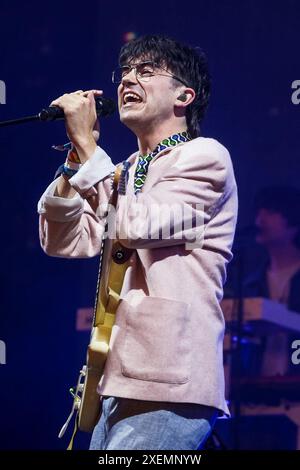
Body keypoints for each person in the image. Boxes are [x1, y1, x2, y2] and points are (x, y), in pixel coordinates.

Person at [37, 34, 238, 450]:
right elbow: (66, 241)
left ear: (185, 95)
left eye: (146, 71)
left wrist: (91, 149)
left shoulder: (205, 157)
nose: (129, 80)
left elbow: (139, 224)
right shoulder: (123, 170)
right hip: (114, 376)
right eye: (125, 72)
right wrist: (76, 159)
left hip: (169, 380)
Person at [243, 186, 300, 376]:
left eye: (272, 211)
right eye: (259, 211)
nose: (261, 218)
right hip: (257, 392)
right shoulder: (251, 283)